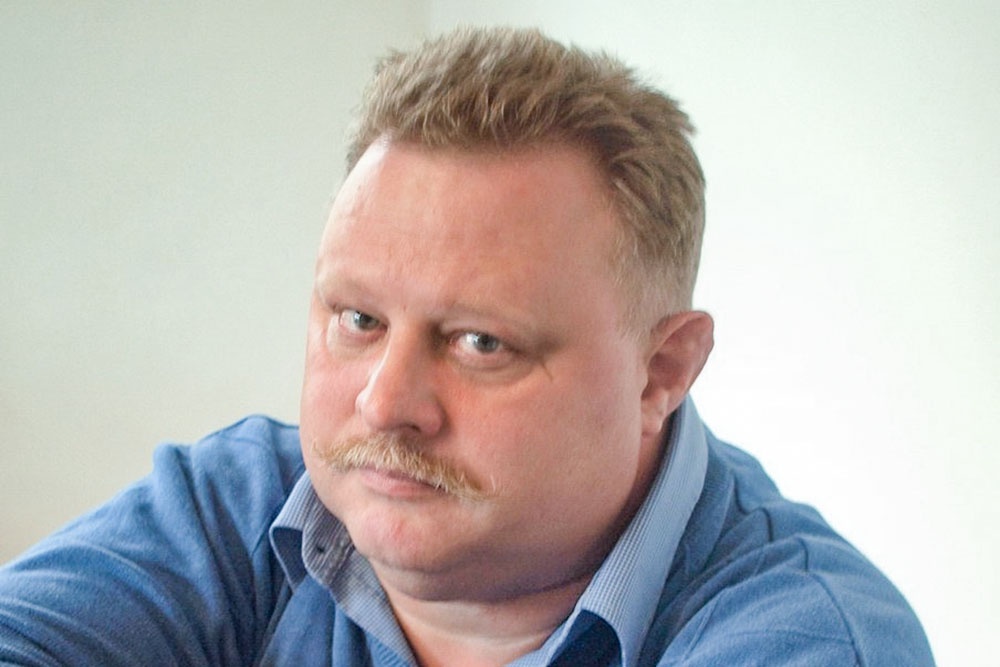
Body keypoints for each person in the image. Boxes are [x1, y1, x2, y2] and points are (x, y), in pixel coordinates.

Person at [0, 26, 933, 666]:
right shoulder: (239, 505)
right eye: (359, 320)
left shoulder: (807, 635)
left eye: (482, 341)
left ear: (662, 371)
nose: (385, 402)